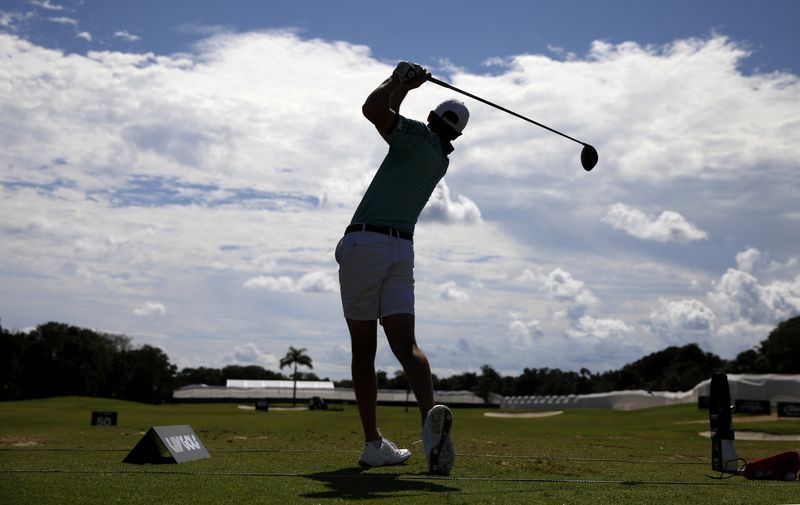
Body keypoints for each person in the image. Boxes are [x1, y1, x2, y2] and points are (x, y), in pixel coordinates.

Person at [334, 61, 469, 475]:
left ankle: (373, 443)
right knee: (406, 345)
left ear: (431, 119)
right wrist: (405, 86)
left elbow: (373, 109)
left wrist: (400, 81)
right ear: (457, 135)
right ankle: (431, 428)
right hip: (401, 251)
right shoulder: (441, 159)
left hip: (364, 243)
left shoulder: (415, 135)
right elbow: (386, 112)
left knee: (363, 348)